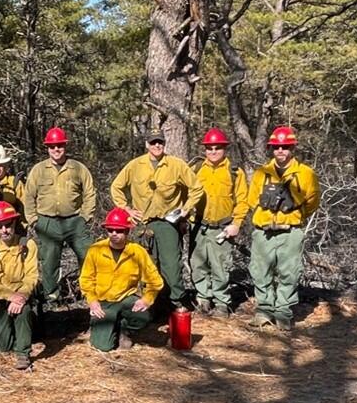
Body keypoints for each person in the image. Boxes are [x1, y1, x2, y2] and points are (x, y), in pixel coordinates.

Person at [109, 130, 204, 311]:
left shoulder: (176, 165)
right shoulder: (135, 165)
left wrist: (185, 210)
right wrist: (126, 209)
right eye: (153, 143)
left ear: (164, 143)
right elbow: (116, 187)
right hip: (142, 225)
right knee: (146, 265)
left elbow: (196, 188)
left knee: (171, 266)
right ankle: (151, 303)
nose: (157, 146)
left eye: (160, 142)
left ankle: (176, 301)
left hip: (167, 224)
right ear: (147, 145)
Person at [247, 125, 321, 332]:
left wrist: (296, 216)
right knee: (261, 272)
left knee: (289, 273)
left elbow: (313, 200)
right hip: (264, 231)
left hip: (290, 231)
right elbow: (252, 199)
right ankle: (263, 311)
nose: (281, 151)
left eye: (285, 147)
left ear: (292, 148)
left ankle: (283, 313)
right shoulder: (262, 172)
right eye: (277, 147)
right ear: (271, 148)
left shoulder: (306, 173)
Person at [22, 127, 96, 301]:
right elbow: (29, 195)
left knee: (87, 254)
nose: (56, 149)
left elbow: (90, 192)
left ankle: (88, 290)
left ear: (65, 146)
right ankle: (51, 294)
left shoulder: (78, 168)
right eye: (52, 146)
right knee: (50, 260)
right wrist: (33, 220)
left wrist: (85, 217)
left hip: (74, 221)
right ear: (47, 148)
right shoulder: (39, 170)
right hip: (47, 222)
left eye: (60, 145)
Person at [79, 208, 164, 352]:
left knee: (143, 316)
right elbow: (86, 279)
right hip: (103, 302)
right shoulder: (96, 250)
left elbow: (155, 281)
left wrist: (147, 299)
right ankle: (100, 327)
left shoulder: (137, 252)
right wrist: (92, 301)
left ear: (127, 232)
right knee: (103, 346)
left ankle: (123, 329)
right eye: (110, 230)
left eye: (118, 231)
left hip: (125, 299)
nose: (114, 234)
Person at [190, 128, 248, 317]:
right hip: (199, 226)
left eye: (217, 147)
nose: (213, 151)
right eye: (209, 148)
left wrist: (236, 223)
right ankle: (203, 299)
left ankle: (222, 302)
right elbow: (185, 194)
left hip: (223, 227)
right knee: (198, 264)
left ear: (225, 149)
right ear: (204, 149)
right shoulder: (196, 169)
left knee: (220, 266)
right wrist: (184, 218)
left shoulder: (235, 172)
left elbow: (242, 200)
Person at [0, 201, 39, 371]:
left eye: (8, 224)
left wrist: (21, 297)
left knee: (24, 310)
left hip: (21, 295)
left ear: (15, 223)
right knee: (4, 345)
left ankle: (23, 353)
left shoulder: (28, 245)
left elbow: (32, 275)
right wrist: (8, 296)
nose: (4, 230)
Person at [0, 144, 25, 216]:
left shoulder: (15, 183)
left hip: (11, 225)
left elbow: (25, 208)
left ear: (6, 166)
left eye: (1, 164)